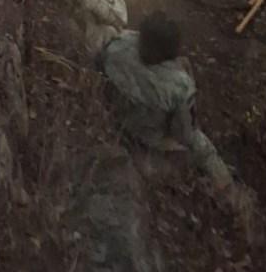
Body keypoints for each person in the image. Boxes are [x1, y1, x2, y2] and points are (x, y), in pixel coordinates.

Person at [97, 12, 230, 185]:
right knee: (204, 150)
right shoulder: (179, 87)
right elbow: (185, 134)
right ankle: (230, 191)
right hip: (147, 138)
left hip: (113, 111)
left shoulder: (119, 43)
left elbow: (99, 63)